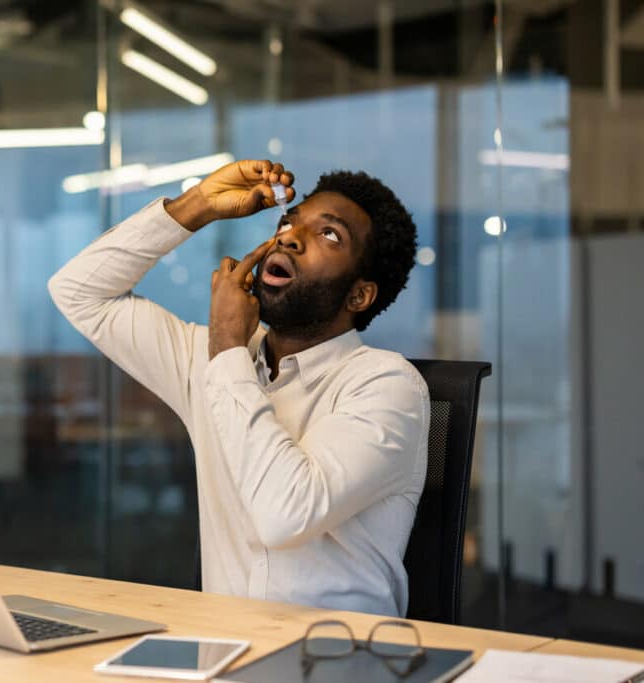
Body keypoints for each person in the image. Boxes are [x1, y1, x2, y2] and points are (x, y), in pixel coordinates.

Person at [48, 159, 428, 617]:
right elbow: (77, 292)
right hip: (223, 654)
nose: (288, 236)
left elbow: (285, 514)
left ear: (359, 295)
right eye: (289, 220)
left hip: (334, 661)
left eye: (329, 234)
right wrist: (197, 206)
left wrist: (227, 348)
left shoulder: (386, 385)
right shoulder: (210, 360)